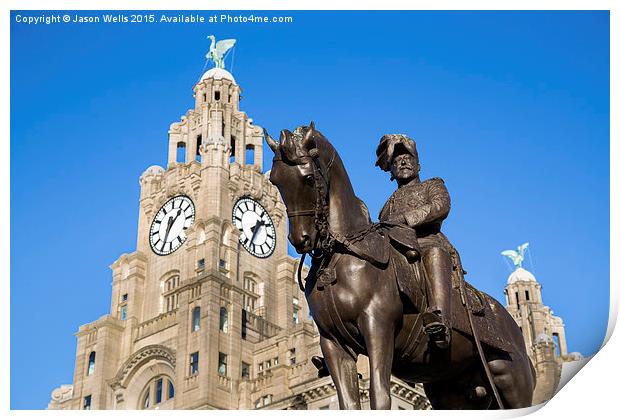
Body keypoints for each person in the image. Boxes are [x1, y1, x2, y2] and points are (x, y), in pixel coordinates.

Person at [376, 134, 456, 349]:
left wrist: (405, 219)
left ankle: (440, 319)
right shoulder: (386, 206)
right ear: (391, 172)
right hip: (394, 250)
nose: (402, 162)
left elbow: (440, 207)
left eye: (408, 159)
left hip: (426, 242)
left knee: (435, 254)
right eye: (396, 161)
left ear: (418, 166)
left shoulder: (433, 185)